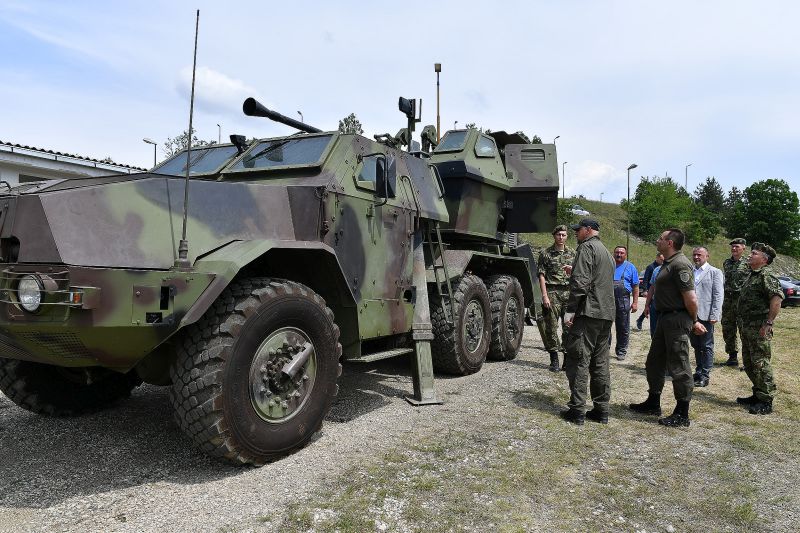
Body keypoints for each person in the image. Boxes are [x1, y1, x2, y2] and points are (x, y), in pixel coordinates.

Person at [629, 228, 707, 427]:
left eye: (661, 238)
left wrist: (694, 320)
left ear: (670, 243)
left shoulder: (680, 265)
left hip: (677, 319)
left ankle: (682, 413)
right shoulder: (668, 263)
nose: (657, 240)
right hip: (664, 318)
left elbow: (691, 298)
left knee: (679, 365)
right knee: (654, 362)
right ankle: (653, 402)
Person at [560, 218, 615, 425]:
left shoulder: (586, 248)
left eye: (578, 230)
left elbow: (581, 284)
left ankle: (577, 410)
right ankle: (601, 410)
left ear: (588, 230)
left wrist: (570, 310)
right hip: (605, 315)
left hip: (588, 313)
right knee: (600, 363)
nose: (576, 233)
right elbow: (596, 279)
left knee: (578, 359)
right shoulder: (606, 252)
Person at [735, 243, 784, 415]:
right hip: (746, 327)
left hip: (759, 327)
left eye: (754, 253)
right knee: (749, 363)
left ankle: (766, 400)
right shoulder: (752, 275)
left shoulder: (766, 276)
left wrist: (768, 323)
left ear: (764, 259)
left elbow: (776, 299)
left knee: (761, 363)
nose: (749, 255)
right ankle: (757, 393)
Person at [537, 225, 577, 372]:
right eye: (559, 234)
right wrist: (545, 295)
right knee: (551, 327)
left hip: (568, 294)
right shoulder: (546, 253)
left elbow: (578, 273)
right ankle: (554, 359)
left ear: (567, 237)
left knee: (568, 327)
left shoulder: (573, 253)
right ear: (554, 236)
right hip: (552, 293)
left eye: (564, 235)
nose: (561, 237)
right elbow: (541, 275)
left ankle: (566, 359)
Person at [690, 247, 724, 387]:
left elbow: (718, 294)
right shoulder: (690, 271)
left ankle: (705, 374)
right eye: (694, 255)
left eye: (699, 255)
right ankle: (698, 371)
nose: (696, 257)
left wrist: (715, 314)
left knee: (706, 345)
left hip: (706, 314)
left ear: (707, 256)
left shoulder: (715, 272)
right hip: (692, 315)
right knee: (696, 345)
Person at [721, 238, 749, 366]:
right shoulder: (726, 263)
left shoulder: (749, 263)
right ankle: (732, 357)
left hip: (742, 300)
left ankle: (748, 360)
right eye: (732, 247)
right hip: (728, 300)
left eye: (737, 246)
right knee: (728, 328)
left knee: (744, 330)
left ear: (743, 248)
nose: (734, 249)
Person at [610, 246, 639, 360]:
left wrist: (635, 302)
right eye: (617, 252)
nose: (619, 254)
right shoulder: (609, 265)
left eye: (622, 253)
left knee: (623, 327)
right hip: (608, 299)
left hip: (623, 300)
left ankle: (621, 350)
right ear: (613, 253)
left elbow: (635, 286)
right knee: (605, 326)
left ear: (625, 255)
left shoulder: (630, 267)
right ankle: (604, 349)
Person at [636, 253, 664, 330]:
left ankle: (640, 319)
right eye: (661, 259)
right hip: (650, 291)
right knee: (650, 307)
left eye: (663, 259)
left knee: (651, 307)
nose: (662, 261)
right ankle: (640, 320)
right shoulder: (651, 267)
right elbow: (645, 279)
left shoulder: (662, 267)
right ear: (657, 258)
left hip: (657, 292)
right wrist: (645, 290)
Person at [641, 260, 663, 338]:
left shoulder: (676, 269)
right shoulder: (656, 270)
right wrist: (647, 306)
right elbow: (652, 288)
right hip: (655, 304)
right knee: (654, 331)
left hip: (669, 306)